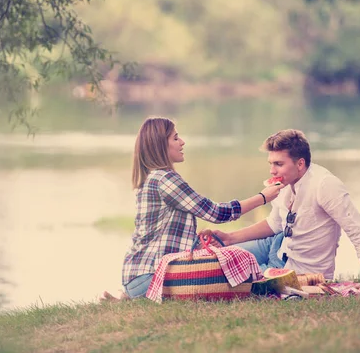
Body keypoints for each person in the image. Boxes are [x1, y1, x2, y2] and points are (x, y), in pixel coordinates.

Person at [115, 116, 285, 299]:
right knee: (243, 267)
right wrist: (262, 197)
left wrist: (195, 242)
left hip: (138, 277)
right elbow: (217, 213)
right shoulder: (165, 179)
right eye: (175, 138)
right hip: (152, 276)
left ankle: (127, 295)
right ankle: (277, 280)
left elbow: (162, 236)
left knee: (246, 253)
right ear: (160, 145)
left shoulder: (152, 178)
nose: (182, 142)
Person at [210, 129, 360, 292]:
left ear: (300, 163)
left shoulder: (325, 185)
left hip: (297, 270)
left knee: (223, 275)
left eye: (279, 164)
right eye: (271, 163)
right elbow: (274, 224)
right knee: (219, 258)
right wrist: (230, 238)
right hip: (276, 244)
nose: (272, 171)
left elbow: (358, 231)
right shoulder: (284, 182)